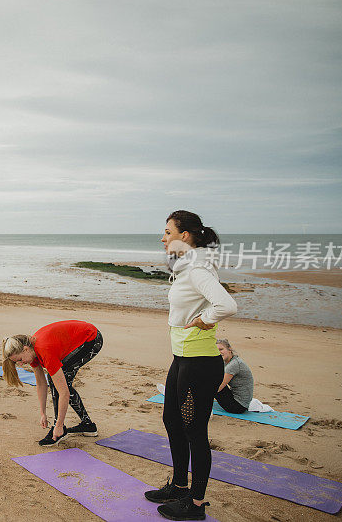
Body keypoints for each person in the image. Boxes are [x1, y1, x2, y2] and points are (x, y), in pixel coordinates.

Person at [144, 210, 237, 521]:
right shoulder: (186, 267)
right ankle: (179, 486)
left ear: (185, 236)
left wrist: (206, 320)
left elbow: (227, 304)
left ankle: (196, 504)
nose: (162, 237)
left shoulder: (197, 269)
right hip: (181, 358)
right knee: (172, 419)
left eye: (167, 232)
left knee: (194, 430)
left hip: (199, 362)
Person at [2, 320, 103, 447]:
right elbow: (41, 384)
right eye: (18, 362)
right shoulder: (32, 353)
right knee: (57, 380)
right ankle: (88, 425)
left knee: (60, 381)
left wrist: (59, 426)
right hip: (76, 340)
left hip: (91, 339)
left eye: (20, 360)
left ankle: (60, 429)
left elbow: (64, 393)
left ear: (26, 349)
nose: (21, 364)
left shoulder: (44, 350)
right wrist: (43, 413)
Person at [215, 339, 254, 414]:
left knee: (212, 383)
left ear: (229, 349)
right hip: (241, 402)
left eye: (221, 349)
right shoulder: (228, 361)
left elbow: (218, 388)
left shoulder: (234, 364)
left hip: (238, 406)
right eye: (216, 350)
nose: (219, 352)